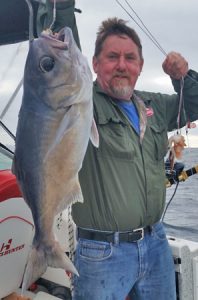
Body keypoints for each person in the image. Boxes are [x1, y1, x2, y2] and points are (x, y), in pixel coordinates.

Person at [37, 1, 198, 299]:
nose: (122, 65)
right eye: (112, 57)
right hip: (102, 253)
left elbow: (194, 105)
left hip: (155, 242)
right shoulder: (82, 102)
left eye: (130, 58)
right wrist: (60, 8)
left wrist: (184, 76)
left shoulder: (154, 105)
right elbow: (57, 49)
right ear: (94, 64)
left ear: (140, 65)